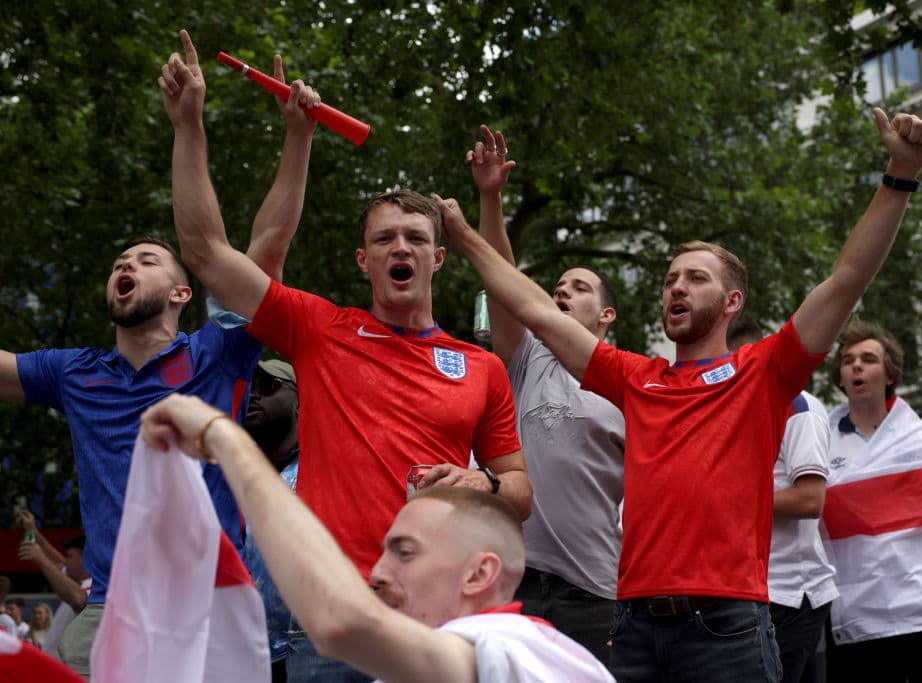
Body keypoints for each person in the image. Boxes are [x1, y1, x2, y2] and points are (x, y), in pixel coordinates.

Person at [437, 107, 922, 683]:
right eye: (670, 279)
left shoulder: (767, 370)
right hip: (629, 628)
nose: (677, 285)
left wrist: (901, 176)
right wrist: (467, 235)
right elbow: (527, 306)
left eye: (696, 278)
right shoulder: (635, 377)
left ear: (732, 303)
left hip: (725, 628)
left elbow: (848, 277)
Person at [160, 29, 529, 683]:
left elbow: (522, 490)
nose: (400, 248)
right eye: (384, 238)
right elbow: (208, 254)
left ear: (437, 258)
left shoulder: (482, 367)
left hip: (440, 626)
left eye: (415, 237)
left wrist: (487, 483)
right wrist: (190, 125)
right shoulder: (319, 329)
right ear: (364, 260)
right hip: (332, 621)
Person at [0, 50, 319, 678]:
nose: (126, 266)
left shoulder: (218, 351)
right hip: (112, 609)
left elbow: (267, 251)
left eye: (146, 260)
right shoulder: (73, 372)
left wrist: (295, 136)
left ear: (181, 294)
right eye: (120, 262)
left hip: (213, 609)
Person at [138, 392, 613, 683]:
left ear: (479, 573)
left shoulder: (515, 649)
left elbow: (341, 621)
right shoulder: (419, 668)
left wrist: (223, 437)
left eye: (405, 552)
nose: (378, 573)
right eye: (386, 550)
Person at [469, 125, 624, 664]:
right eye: (557, 286)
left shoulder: (631, 382)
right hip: (516, 573)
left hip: (595, 587)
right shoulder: (528, 356)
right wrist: (490, 196)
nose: (562, 291)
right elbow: (501, 277)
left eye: (579, 288)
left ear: (606, 316)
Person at [821, 320, 922, 682]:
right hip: (856, 615)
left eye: (869, 359)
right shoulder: (819, 440)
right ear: (839, 377)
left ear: (890, 374)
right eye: (848, 360)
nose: (857, 365)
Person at [728, 315, 837, 683]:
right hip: (747, 590)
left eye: (723, 361)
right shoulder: (731, 410)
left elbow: (810, 500)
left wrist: (725, 501)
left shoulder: (799, 406)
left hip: (791, 594)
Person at [244, 359, 300, 683]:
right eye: (249, 388)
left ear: (300, 401)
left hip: (305, 654)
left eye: (267, 387)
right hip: (241, 656)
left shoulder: (322, 469)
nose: (253, 395)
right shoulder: (229, 474)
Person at [15, 511, 92, 659]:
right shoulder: (76, 583)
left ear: (85, 559)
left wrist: (42, 560)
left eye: (70, 557)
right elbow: (57, 562)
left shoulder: (94, 586)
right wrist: (33, 530)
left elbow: (79, 599)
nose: (65, 561)